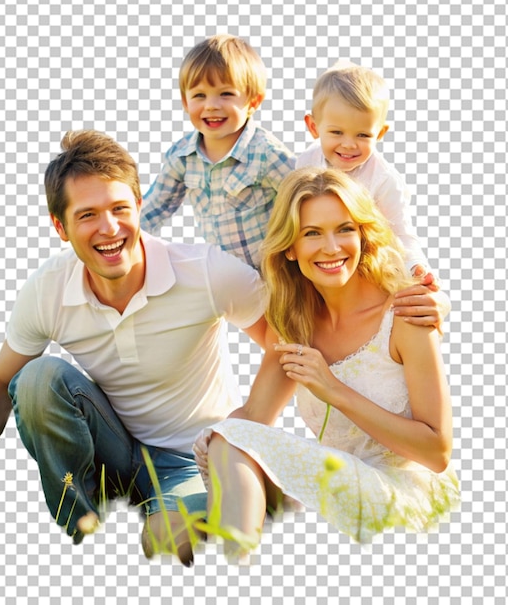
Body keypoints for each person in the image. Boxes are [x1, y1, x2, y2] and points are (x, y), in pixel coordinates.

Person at [0, 130, 267, 567]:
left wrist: (251, 424)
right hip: (108, 454)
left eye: (120, 208)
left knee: (171, 547)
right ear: (60, 227)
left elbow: (286, 347)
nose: (109, 228)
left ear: (140, 207)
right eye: (87, 215)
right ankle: (78, 530)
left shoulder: (207, 272)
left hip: (186, 459)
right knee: (36, 379)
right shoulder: (48, 289)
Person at [194, 167, 460, 559]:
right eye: (312, 233)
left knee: (235, 441)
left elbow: (437, 451)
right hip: (337, 485)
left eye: (344, 229)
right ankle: (236, 569)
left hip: (406, 494)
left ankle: (235, 571)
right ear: (290, 247)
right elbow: (253, 416)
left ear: (363, 234)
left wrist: (333, 389)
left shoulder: (405, 312)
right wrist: (212, 446)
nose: (332, 247)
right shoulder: (293, 323)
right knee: (229, 437)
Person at [140, 34, 296, 269]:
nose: (211, 105)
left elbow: (306, 198)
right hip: (225, 277)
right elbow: (156, 208)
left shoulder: (265, 153)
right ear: (185, 102)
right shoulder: (182, 157)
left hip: (276, 272)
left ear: (253, 102)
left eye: (226, 94)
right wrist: (124, 238)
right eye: (199, 95)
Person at [297, 60, 430, 277]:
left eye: (363, 135)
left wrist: (415, 266)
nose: (349, 144)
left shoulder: (384, 180)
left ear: (379, 133)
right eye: (337, 133)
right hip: (323, 260)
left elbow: (402, 233)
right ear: (314, 127)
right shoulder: (306, 162)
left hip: (369, 267)